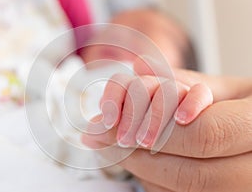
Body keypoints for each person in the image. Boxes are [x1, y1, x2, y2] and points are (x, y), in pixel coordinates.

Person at [83, 64, 252, 192]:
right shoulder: (76, 70)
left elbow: (174, 92)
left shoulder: (155, 86)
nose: (123, 39)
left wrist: (185, 99)